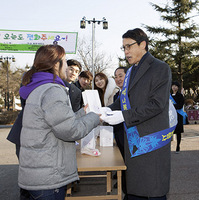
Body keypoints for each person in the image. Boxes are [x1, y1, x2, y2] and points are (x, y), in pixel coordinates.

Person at [17, 45, 101, 199]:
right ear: (56, 64)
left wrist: (83, 113)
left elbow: (57, 121)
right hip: (48, 178)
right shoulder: (52, 90)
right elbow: (71, 131)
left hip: (38, 173)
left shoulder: (38, 87)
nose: (67, 67)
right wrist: (95, 117)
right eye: (64, 61)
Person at [101, 28, 172, 200]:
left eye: (129, 46)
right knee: (134, 189)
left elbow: (157, 105)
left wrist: (124, 116)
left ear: (143, 44)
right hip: (133, 140)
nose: (125, 52)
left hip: (150, 140)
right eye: (123, 48)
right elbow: (125, 99)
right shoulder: (132, 70)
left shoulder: (160, 68)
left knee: (152, 190)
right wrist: (110, 108)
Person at [170, 81, 185, 153]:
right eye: (173, 86)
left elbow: (180, 106)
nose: (174, 87)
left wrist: (172, 106)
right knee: (170, 132)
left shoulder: (180, 96)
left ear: (178, 87)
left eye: (175, 86)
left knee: (178, 132)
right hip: (171, 116)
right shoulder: (169, 96)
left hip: (178, 115)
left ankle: (178, 146)